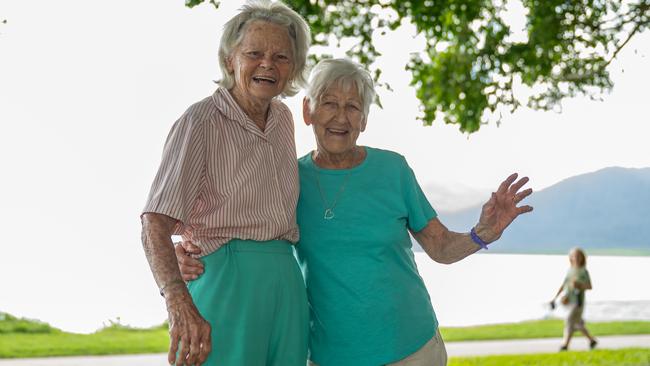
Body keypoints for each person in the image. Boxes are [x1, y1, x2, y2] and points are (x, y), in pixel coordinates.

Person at [177, 58, 534, 366]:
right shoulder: (287, 177)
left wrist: (482, 232)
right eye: (329, 103)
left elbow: (440, 247)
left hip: (412, 347)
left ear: (364, 120)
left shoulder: (393, 170)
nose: (341, 117)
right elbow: (241, 226)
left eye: (353, 107)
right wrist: (188, 251)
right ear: (308, 111)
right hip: (331, 353)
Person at [139, 1, 311, 365]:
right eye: (254, 53)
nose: (268, 64)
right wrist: (177, 300)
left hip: (286, 278)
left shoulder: (283, 119)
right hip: (226, 279)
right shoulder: (200, 121)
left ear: (293, 67)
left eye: (281, 56)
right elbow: (155, 221)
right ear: (230, 59)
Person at [551, 247, 598, 351]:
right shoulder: (570, 270)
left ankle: (565, 345)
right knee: (578, 323)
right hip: (568, 301)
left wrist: (579, 285)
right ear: (570, 258)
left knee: (569, 320)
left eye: (578, 256)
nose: (575, 258)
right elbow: (563, 285)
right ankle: (591, 340)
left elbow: (590, 286)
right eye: (573, 256)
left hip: (578, 302)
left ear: (582, 257)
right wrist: (555, 298)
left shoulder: (583, 271)